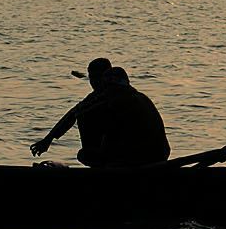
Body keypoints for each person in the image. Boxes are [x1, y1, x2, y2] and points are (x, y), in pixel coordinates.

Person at [31, 57, 171, 168]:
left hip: (137, 159)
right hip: (160, 156)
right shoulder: (137, 96)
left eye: (96, 79)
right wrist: (48, 139)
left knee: (84, 152)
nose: (94, 83)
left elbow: (78, 113)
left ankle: (105, 169)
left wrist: (48, 140)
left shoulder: (110, 99)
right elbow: (74, 112)